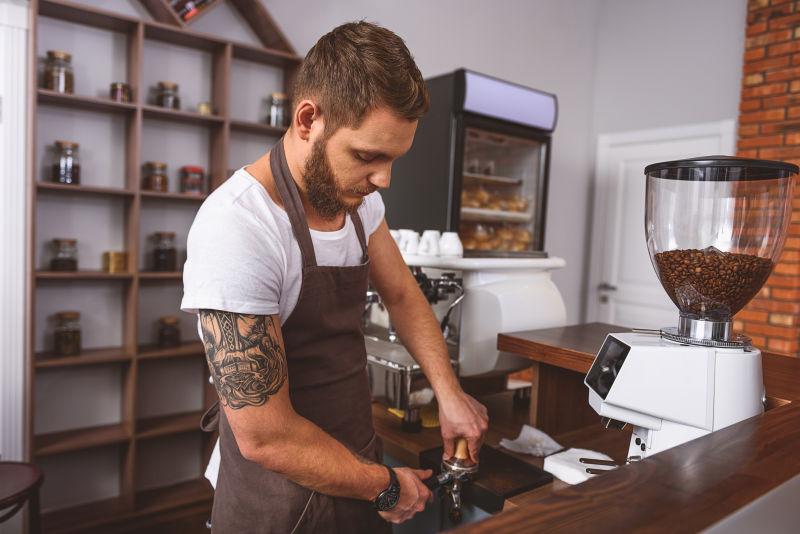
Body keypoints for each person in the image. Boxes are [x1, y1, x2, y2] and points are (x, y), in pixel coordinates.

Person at [181, 21, 489, 533]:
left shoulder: (358, 203)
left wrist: (448, 392)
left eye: (393, 159)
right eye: (368, 156)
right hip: (278, 498)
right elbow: (266, 437)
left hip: (358, 463)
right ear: (308, 120)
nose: (384, 179)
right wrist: (384, 486)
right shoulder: (238, 225)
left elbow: (403, 295)